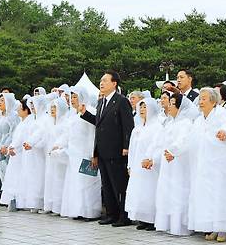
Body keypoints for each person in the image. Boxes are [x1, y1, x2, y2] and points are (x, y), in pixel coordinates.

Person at [80, 71, 135, 227]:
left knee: (119, 184)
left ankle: (124, 216)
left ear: (114, 83)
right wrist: (85, 114)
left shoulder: (121, 101)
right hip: (102, 150)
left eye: (105, 81)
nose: (101, 83)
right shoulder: (101, 102)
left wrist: (126, 146)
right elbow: (99, 124)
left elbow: (128, 126)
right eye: (101, 81)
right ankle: (111, 214)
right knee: (107, 184)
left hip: (117, 150)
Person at [189, 88, 226, 242]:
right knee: (208, 194)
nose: (201, 101)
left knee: (221, 194)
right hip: (204, 163)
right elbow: (190, 139)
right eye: (200, 98)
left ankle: (223, 228)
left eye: (204, 98)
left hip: (220, 164)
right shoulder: (199, 120)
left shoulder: (221, 116)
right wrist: (174, 151)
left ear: (213, 101)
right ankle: (212, 225)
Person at [155, 93, 197, 236]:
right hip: (168, 162)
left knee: (179, 191)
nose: (170, 106)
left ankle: (180, 225)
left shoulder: (185, 123)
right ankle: (168, 223)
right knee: (167, 191)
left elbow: (184, 141)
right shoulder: (170, 122)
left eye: (173, 103)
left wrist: (173, 151)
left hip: (179, 162)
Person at [59, 86, 102, 220]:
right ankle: (77, 210)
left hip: (86, 153)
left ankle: (90, 212)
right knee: (76, 183)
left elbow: (93, 135)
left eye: (75, 97)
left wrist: (93, 154)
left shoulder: (90, 111)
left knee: (88, 184)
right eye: (71, 97)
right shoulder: (73, 114)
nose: (72, 100)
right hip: (74, 154)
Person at [125, 97, 163, 231]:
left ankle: (152, 219)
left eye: (145, 107)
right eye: (140, 107)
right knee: (139, 191)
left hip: (149, 166)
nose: (142, 110)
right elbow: (132, 147)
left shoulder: (157, 127)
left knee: (149, 191)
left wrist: (151, 159)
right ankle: (143, 218)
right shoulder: (138, 128)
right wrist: (130, 165)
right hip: (137, 165)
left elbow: (158, 146)